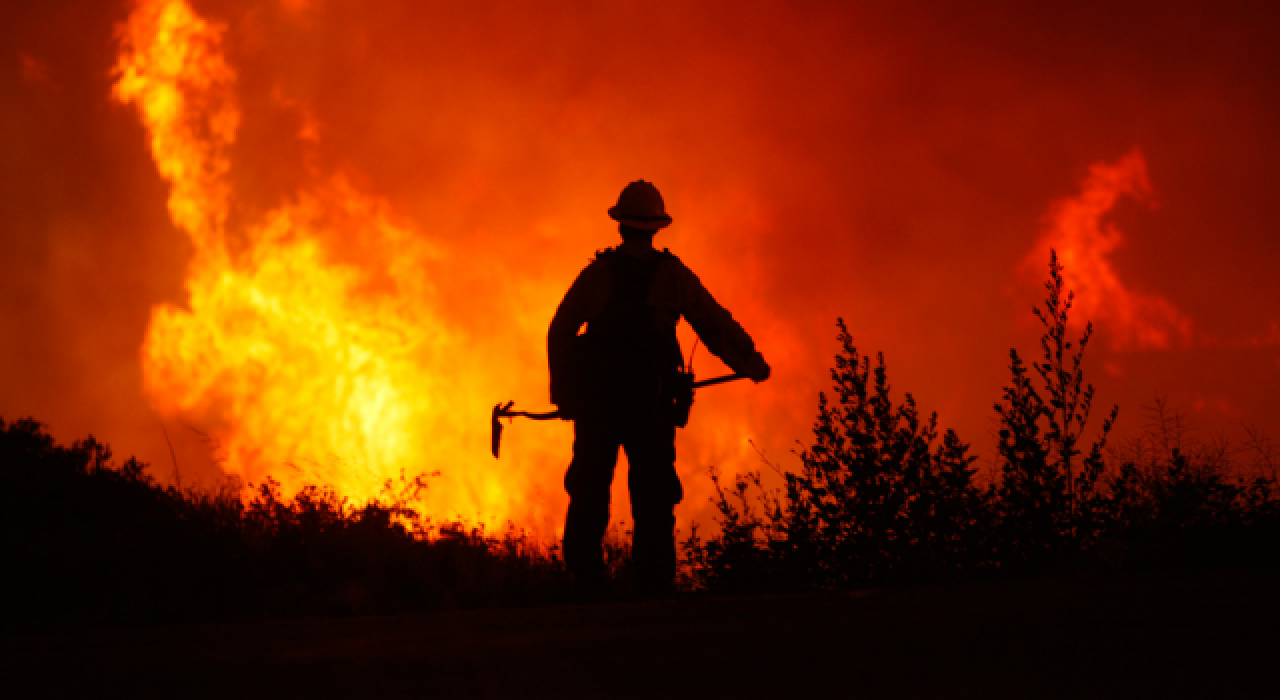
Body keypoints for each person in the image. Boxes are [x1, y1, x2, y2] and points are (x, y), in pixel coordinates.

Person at [548, 180, 771, 598]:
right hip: (650, 408)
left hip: (599, 407)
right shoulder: (672, 276)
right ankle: (652, 588)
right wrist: (750, 361)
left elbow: (560, 330)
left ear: (620, 227)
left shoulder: (597, 275)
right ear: (656, 229)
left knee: (589, 490)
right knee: (652, 496)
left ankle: (585, 584)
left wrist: (564, 394)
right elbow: (712, 322)